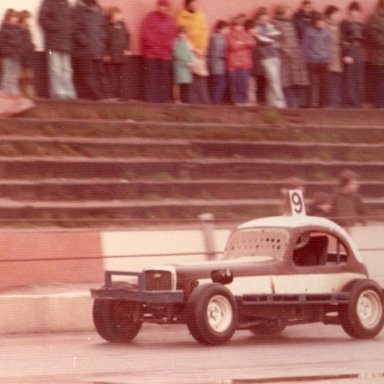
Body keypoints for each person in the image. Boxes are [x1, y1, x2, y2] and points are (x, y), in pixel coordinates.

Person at [38, 0, 77, 100]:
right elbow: (42, 20)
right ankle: (58, 93)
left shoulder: (67, 3)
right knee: (55, 68)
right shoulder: (47, 2)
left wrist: (69, 29)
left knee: (67, 69)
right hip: (52, 45)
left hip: (66, 43)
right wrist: (58, 27)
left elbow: (73, 20)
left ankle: (69, 92)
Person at [273, 4, 309, 108]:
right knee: (287, 81)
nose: (291, 13)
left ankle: (297, 104)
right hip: (285, 57)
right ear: (283, 12)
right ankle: (291, 104)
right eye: (289, 11)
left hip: (296, 55)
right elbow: (275, 40)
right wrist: (285, 49)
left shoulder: (290, 22)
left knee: (298, 81)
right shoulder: (276, 23)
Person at [141, 0, 176, 103]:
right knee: (151, 76)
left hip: (165, 54)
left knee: (163, 77)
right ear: (157, 6)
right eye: (161, 6)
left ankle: (162, 99)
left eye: (165, 6)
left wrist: (165, 46)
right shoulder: (150, 17)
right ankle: (151, 99)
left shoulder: (170, 20)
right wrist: (156, 46)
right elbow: (146, 34)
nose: (163, 8)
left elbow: (172, 36)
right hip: (152, 52)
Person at [72, 0, 107, 100]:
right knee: (88, 73)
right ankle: (96, 95)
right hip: (84, 49)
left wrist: (101, 40)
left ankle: (101, 94)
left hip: (97, 47)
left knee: (99, 72)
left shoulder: (98, 8)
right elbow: (75, 28)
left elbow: (103, 27)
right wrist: (85, 41)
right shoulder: (78, 8)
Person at [177, 0, 210, 104]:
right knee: (190, 76)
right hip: (189, 50)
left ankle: (202, 100)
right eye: (192, 4)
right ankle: (191, 100)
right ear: (187, 5)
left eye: (196, 3)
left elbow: (204, 31)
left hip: (200, 50)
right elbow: (183, 34)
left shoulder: (201, 15)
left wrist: (203, 48)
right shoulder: (181, 16)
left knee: (201, 75)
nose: (195, 5)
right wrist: (193, 49)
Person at [254, 7, 286, 109]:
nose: (264, 18)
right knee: (273, 79)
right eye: (262, 16)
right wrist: (272, 40)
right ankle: (280, 102)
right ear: (258, 17)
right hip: (265, 57)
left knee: (272, 80)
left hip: (275, 56)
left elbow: (279, 35)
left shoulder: (270, 26)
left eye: (266, 15)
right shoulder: (256, 28)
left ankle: (271, 102)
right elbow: (261, 39)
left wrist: (271, 38)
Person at [302, 12, 332, 108]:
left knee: (324, 84)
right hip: (312, 61)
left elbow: (329, 46)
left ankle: (323, 104)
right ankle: (309, 103)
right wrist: (308, 57)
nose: (322, 23)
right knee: (310, 83)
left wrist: (327, 56)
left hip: (323, 61)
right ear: (315, 22)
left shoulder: (327, 32)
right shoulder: (309, 31)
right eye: (320, 21)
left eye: (323, 21)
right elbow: (305, 46)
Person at [226, 17, 256, 106]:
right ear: (233, 26)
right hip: (235, 63)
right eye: (237, 25)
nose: (239, 27)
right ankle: (237, 101)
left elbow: (252, 43)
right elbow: (233, 46)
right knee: (236, 83)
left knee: (245, 83)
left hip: (245, 63)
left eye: (240, 25)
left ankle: (244, 100)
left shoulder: (246, 34)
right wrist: (244, 44)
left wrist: (241, 43)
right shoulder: (229, 35)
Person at [341, 1, 365, 108]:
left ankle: (358, 101)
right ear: (349, 12)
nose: (355, 14)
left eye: (357, 12)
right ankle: (350, 101)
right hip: (350, 50)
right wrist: (345, 54)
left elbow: (365, 38)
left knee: (359, 76)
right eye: (353, 12)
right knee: (350, 77)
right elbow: (342, 39)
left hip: (359, 50)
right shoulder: (345, 24)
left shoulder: (360, 24)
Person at [104, 6, 131, 100]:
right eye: (118, 15)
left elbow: (127, 37)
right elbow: (105, 41)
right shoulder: (107, 26)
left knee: (122, 76)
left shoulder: (123, 25)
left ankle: (123, 96)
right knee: (112, 76)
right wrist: (106, 54)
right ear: (113, 16)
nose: (121, 16)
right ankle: (113, 95)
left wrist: (127, 49)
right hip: (112, 56)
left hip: (122, 55)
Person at [331, 170, 367, 235]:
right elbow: (331, 214)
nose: (357, 186)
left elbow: (362, 210)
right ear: (346, 184)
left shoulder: (356, 197)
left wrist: (363, 223)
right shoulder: (334, 197)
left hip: (353, 228)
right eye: (354, 184)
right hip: (339, 229)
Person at [0, 9, 23, 95]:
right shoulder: (4, 29)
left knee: (15, 74)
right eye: (14, 17)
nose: (16, 19)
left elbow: (20, 42)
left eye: (16, 17)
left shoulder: (17, 29)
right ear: (8, 17)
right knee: (7, 74)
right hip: (8, 56)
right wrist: (9, 51)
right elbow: (2, 43)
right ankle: (5, 93)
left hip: (16, 55)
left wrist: (19, 51)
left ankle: (14, 92)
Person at [325, 5, 343, 108]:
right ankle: (331, 102)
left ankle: (336, 102)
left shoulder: (338, 26)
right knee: (330, 79)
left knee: (337, 79)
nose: (337, 16)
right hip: (329, 54)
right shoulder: (327, 25)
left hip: (337, 54)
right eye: (335, 13)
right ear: (330, 15)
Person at [367, 0, 384, 109]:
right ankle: (379, 102)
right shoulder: (374, 17)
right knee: (379, 80)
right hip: (378, 55)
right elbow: (372, 34)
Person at [208, 20, 229, 104]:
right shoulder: (218, 38)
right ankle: (215, 102)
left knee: (215, 84)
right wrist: (225, 56)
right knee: (220, 84)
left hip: (213, 65)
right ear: (220, 29)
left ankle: (214, 101)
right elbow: (218, 53)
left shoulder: (213, 37)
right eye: (226, 28)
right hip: (218, 65)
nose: (227, 30)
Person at [173, 26, 195, 103]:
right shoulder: (176, 42)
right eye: (181, 33)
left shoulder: (188, 43)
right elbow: (177, 54)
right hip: (179, 65)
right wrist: (186, 62)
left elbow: (191, 53)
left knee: (187, 84)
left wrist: (192, 62)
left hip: (187, 67)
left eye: (184, 33)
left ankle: (186, 100)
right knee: (179, 83)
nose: (182, 35)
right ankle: (178, 99)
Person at [19, 10, 35, 98]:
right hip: (22, 57)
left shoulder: (28, 30)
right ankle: (22, 94)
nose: (28, 20)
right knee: (22, 77)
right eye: (26, 18)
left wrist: (32, 46)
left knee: (29, 78)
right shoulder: (19, 30)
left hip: (28, 57)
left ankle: (30, 95)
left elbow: (29, 43)